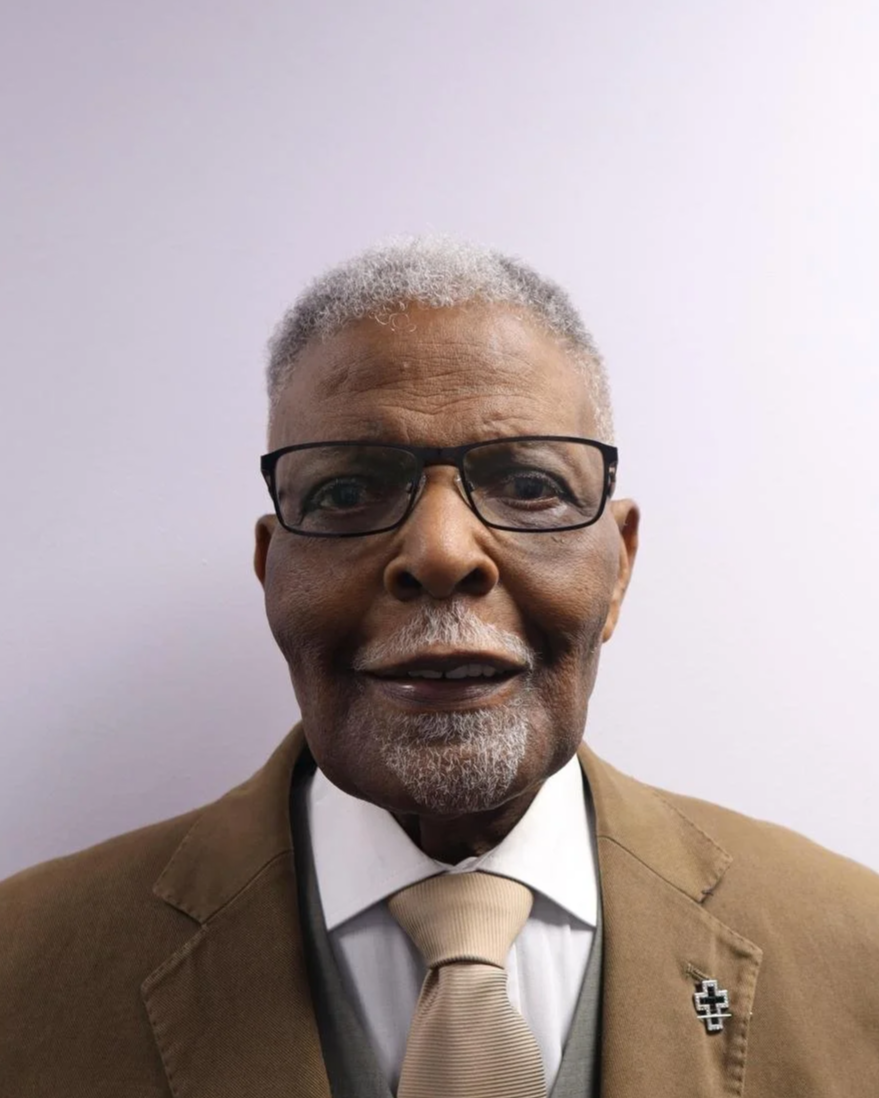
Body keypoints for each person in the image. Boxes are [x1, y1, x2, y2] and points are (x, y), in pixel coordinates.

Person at [1, 238, 877, 1097]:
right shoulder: (24, 963)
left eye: (528, 486)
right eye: (347, 492)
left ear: (619, 568)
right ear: (271, 571)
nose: (440, 551)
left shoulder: (854, 948)